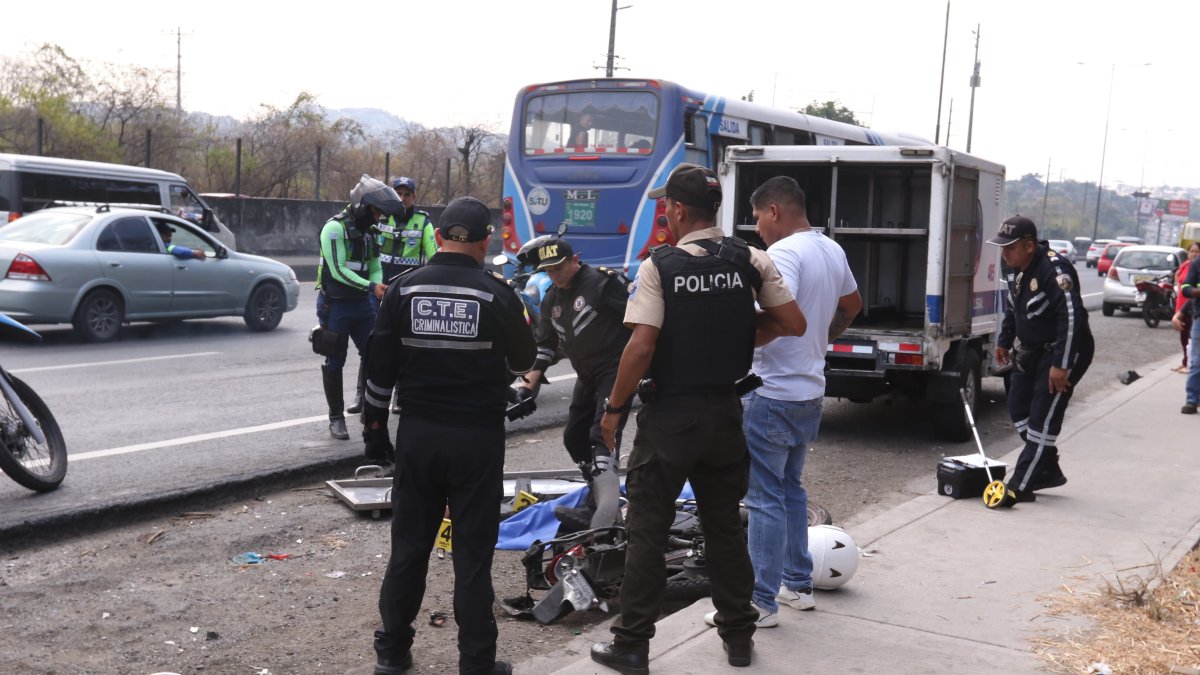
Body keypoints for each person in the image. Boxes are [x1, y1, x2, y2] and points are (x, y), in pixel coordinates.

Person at [589, 163, 806, 673]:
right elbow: (792, 322)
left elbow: (641, 347)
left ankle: (632, 645)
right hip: (725, 414)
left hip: (671, 417)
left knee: (648, 529)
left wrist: (613, 410)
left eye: (667, 206)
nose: (666, 213)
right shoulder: (750, 258)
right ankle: (738, 637)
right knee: (724, 526)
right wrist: (738, 332)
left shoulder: (658, 266)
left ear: (679, 210)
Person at [364, 196, 536, 675]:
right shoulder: (499, 295)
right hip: (477, 441)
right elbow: (524, 360)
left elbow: (378, 373)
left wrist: (375, 433)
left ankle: (392, 654)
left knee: (409, 549)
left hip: (418, 437)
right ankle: (477, 663)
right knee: (472, 556)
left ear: (438, 237)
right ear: (485, 242)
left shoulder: (403, 290)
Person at [714, 176, 861, 627]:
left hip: (772, 392)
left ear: (774, 211)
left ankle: (760, 603)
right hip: (810, 392)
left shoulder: (783, 254)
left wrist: (739, 343)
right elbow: (853, 304)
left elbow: (782, 316)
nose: (757, 227)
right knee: (791, 490)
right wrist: (819, 341)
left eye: (758, 217)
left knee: (763, 498)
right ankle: (797, 585)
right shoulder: (830, 248)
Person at [513, 235, 634, 530]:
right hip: (587, 375)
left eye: (559, 267)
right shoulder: (552, 297)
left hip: (616, 369)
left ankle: (601, 515)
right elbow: (545, 346)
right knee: (574, 437)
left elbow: (640, 320)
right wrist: (527, 387)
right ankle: (598, 497)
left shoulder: (602, 283)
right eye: (549, 270)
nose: (554, 274)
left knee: (602, 434)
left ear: (574, 261)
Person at [989, 216, 1094, 505]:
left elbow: (1070, 318)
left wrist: (1061, 364)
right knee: (1017, 408)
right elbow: (1013, 308)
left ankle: (1019, 485)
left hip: (1065, 350)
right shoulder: (1013, 268)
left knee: (1041, 418)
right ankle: (1046, 468)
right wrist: (1004, 340)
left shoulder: (1055, 269)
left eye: (1010, 247)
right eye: (1002, 247)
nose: (1004, 253)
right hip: (1031, 349)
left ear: (1029, 246)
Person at [314, 174, 400, 442]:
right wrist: (371, 287)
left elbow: (375, 266)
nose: (378, 217)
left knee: (375, 354)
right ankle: (336, 418)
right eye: (376, 211)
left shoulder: (370, 233)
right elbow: (338, 270)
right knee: (335, 359)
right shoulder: (334, 229)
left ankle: (369, 411)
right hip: (335, 305)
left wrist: (377, 284)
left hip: (362, 304)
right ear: (363, 205)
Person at [347, 176, 438, 415]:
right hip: (379, 287)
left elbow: (433, 254)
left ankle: (399, 395)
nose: (402, 198)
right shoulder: (380, 216)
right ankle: (361, 394)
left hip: (406, 290)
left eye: (407, 194)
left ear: (414, 197)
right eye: (399, 193)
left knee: (402, 342)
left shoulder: (423, 222)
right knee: (370, 340)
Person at [1171, 242, 1199, 373]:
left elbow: (1192, 291)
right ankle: (1185, 362)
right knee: (1184, 336)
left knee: (1190, 337)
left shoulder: (1195, 267)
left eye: (1197, 251)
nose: (1194, 254)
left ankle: (1189, 364)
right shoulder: (1186, 265)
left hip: (1192, 306)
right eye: (1191, 251)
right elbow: (1179, 277)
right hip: (1182, 304)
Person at [1180, 242, 1200, 414]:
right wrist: (1196, 292)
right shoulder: (1197, 264)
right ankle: (1192, 400)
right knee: (1196, 361)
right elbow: (1186, 288)